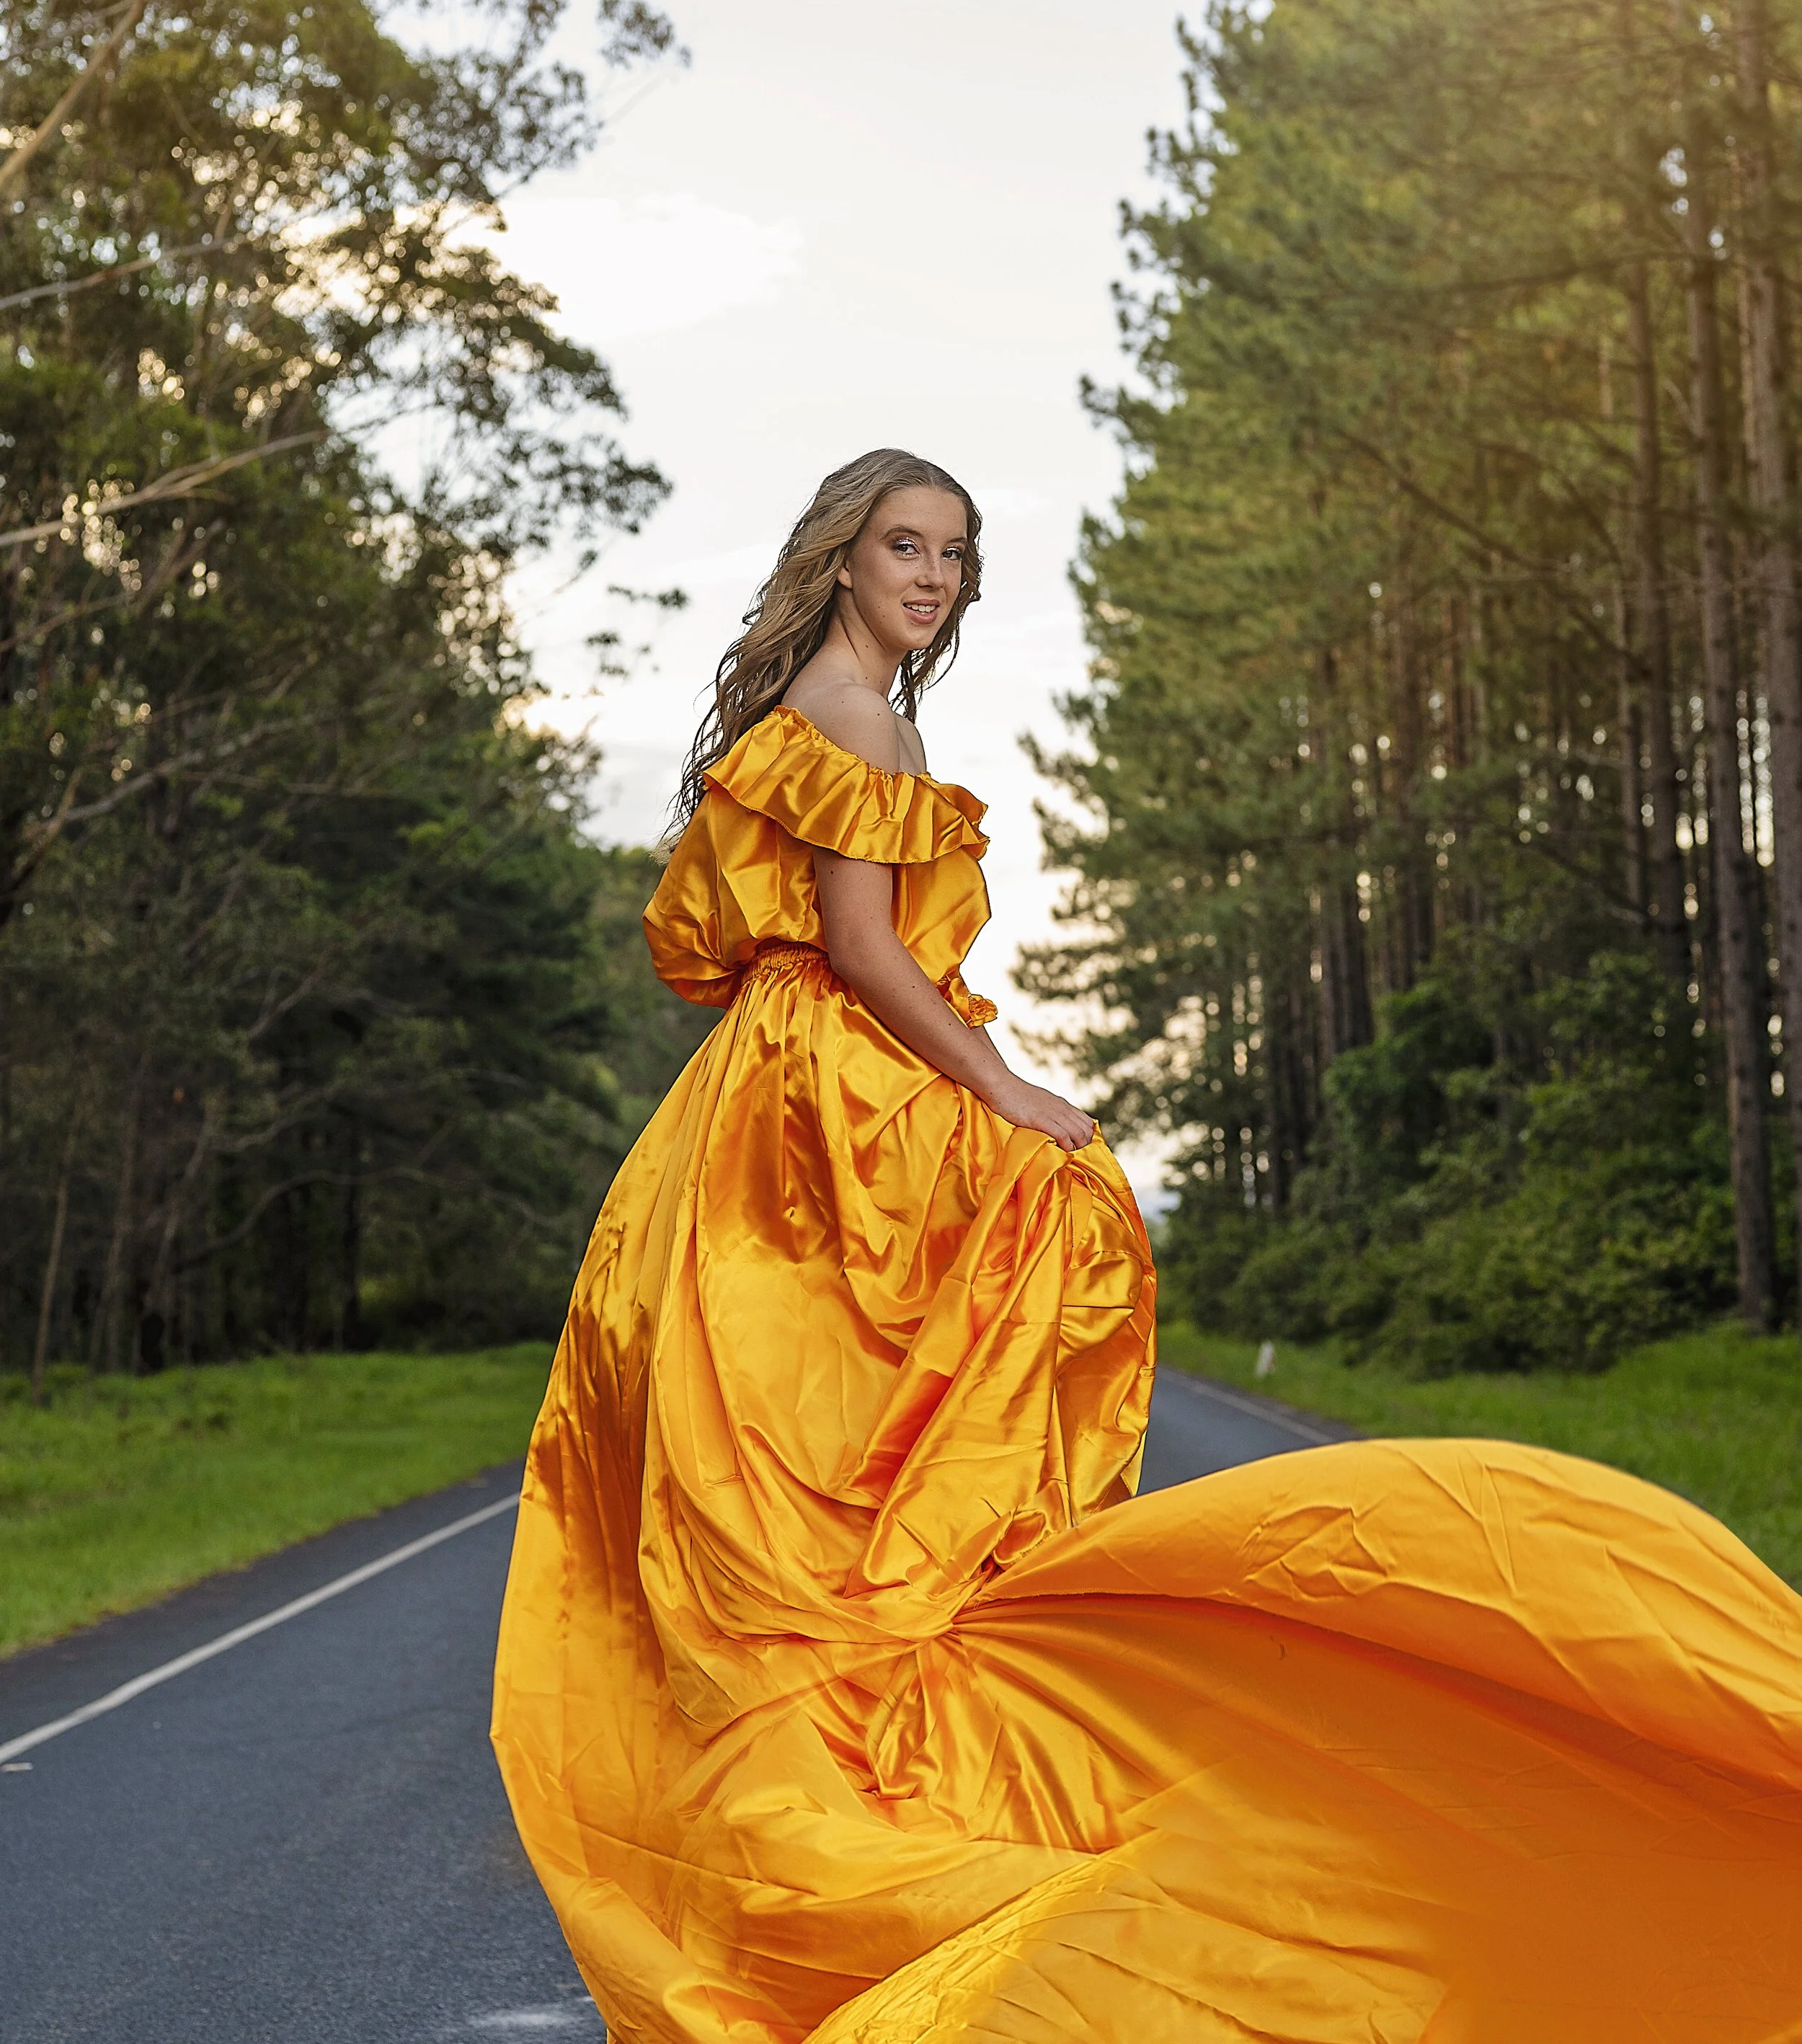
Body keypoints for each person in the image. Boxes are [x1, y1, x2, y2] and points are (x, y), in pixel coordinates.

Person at [494, 448, 1802, 2044]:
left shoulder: (824, 708)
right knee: (918, 1422)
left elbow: (773, 952)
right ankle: (869, 1833)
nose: (931, 578)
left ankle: (810, 1839)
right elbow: (861, 948)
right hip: (829, 1105)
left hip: (765, 1100)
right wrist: (1003, 1085)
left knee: (809, 1499)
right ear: (841, 559)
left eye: (953, 555)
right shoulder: (858, 719)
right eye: (904, 546)